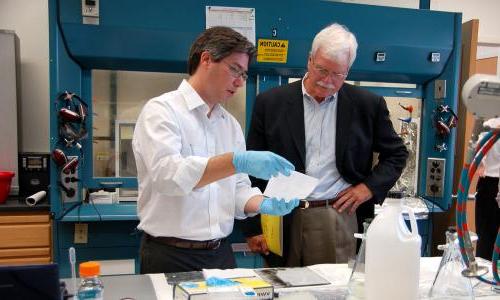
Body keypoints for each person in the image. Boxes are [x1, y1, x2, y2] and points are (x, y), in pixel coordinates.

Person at [132, 26, 299, 274]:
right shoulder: (162, 111)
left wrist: (264, 203)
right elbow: (169, 177)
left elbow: (238, 190)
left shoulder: (229, 125)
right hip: (170, 255)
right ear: (207, 59)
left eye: (244, 75)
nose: (240, 82)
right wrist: (235, 161)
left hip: (220, 254)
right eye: (235, 70)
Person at [239, 23, 408, 267]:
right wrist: (252, 226)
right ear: (310, 60)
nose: (328, 81)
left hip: (336, 216)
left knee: (333, 290)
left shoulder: (367, 105)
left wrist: (367, 188)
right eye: (322, 70)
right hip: (281, 216)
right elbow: (251, 169)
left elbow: (397, 154)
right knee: (282, 287)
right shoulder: (271, 103)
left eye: (338, 74)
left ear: (347, 71)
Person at [475, 117, 500, 260]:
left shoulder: (488, 124)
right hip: (489, 183)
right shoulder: (489, 124)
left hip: (489, 182)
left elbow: (478, 151)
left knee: (486, 238)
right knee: (485, 238)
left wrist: (481, 164)